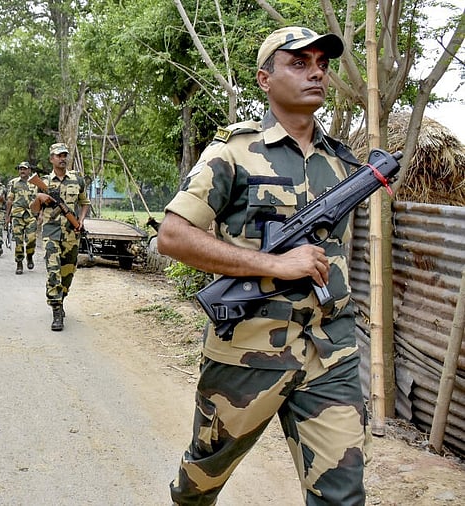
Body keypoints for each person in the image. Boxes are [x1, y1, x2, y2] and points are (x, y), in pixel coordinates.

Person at [156, 27, 368, 505]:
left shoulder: (342, 164)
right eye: (299, 62)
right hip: (248, 352)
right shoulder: (232, 152)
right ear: (264, 79)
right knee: (201, 481)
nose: (316, 72)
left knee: (343, 494)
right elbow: (173, 236)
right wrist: (276, 263)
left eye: (322, 63)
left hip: (329, 351)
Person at [29, 143, 89, 331]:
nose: (62, 158)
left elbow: (84, 202)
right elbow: (34, 210)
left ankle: (61, 298)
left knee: (67, 273)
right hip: (51, 232)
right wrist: (39, 198)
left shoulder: (77, 180)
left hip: (71, 234)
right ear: (51, 159)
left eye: (64, 155)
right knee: (53, 271)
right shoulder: (44, 182)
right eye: (58, 155)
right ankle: (56, 309)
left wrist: (80, 220)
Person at [6, 162, 38, 274]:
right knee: (18, 241)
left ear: (29, 170)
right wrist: (7, 216)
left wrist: (41, 214)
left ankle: (29, 255)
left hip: (31, 215)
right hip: (17, 215)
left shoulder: (35, 183)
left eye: (24, 169)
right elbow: (10, 200)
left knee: (31, 239)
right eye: (20, 169)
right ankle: (19, 263)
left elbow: (41, 199)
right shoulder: (13, 183)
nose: (22, 171)